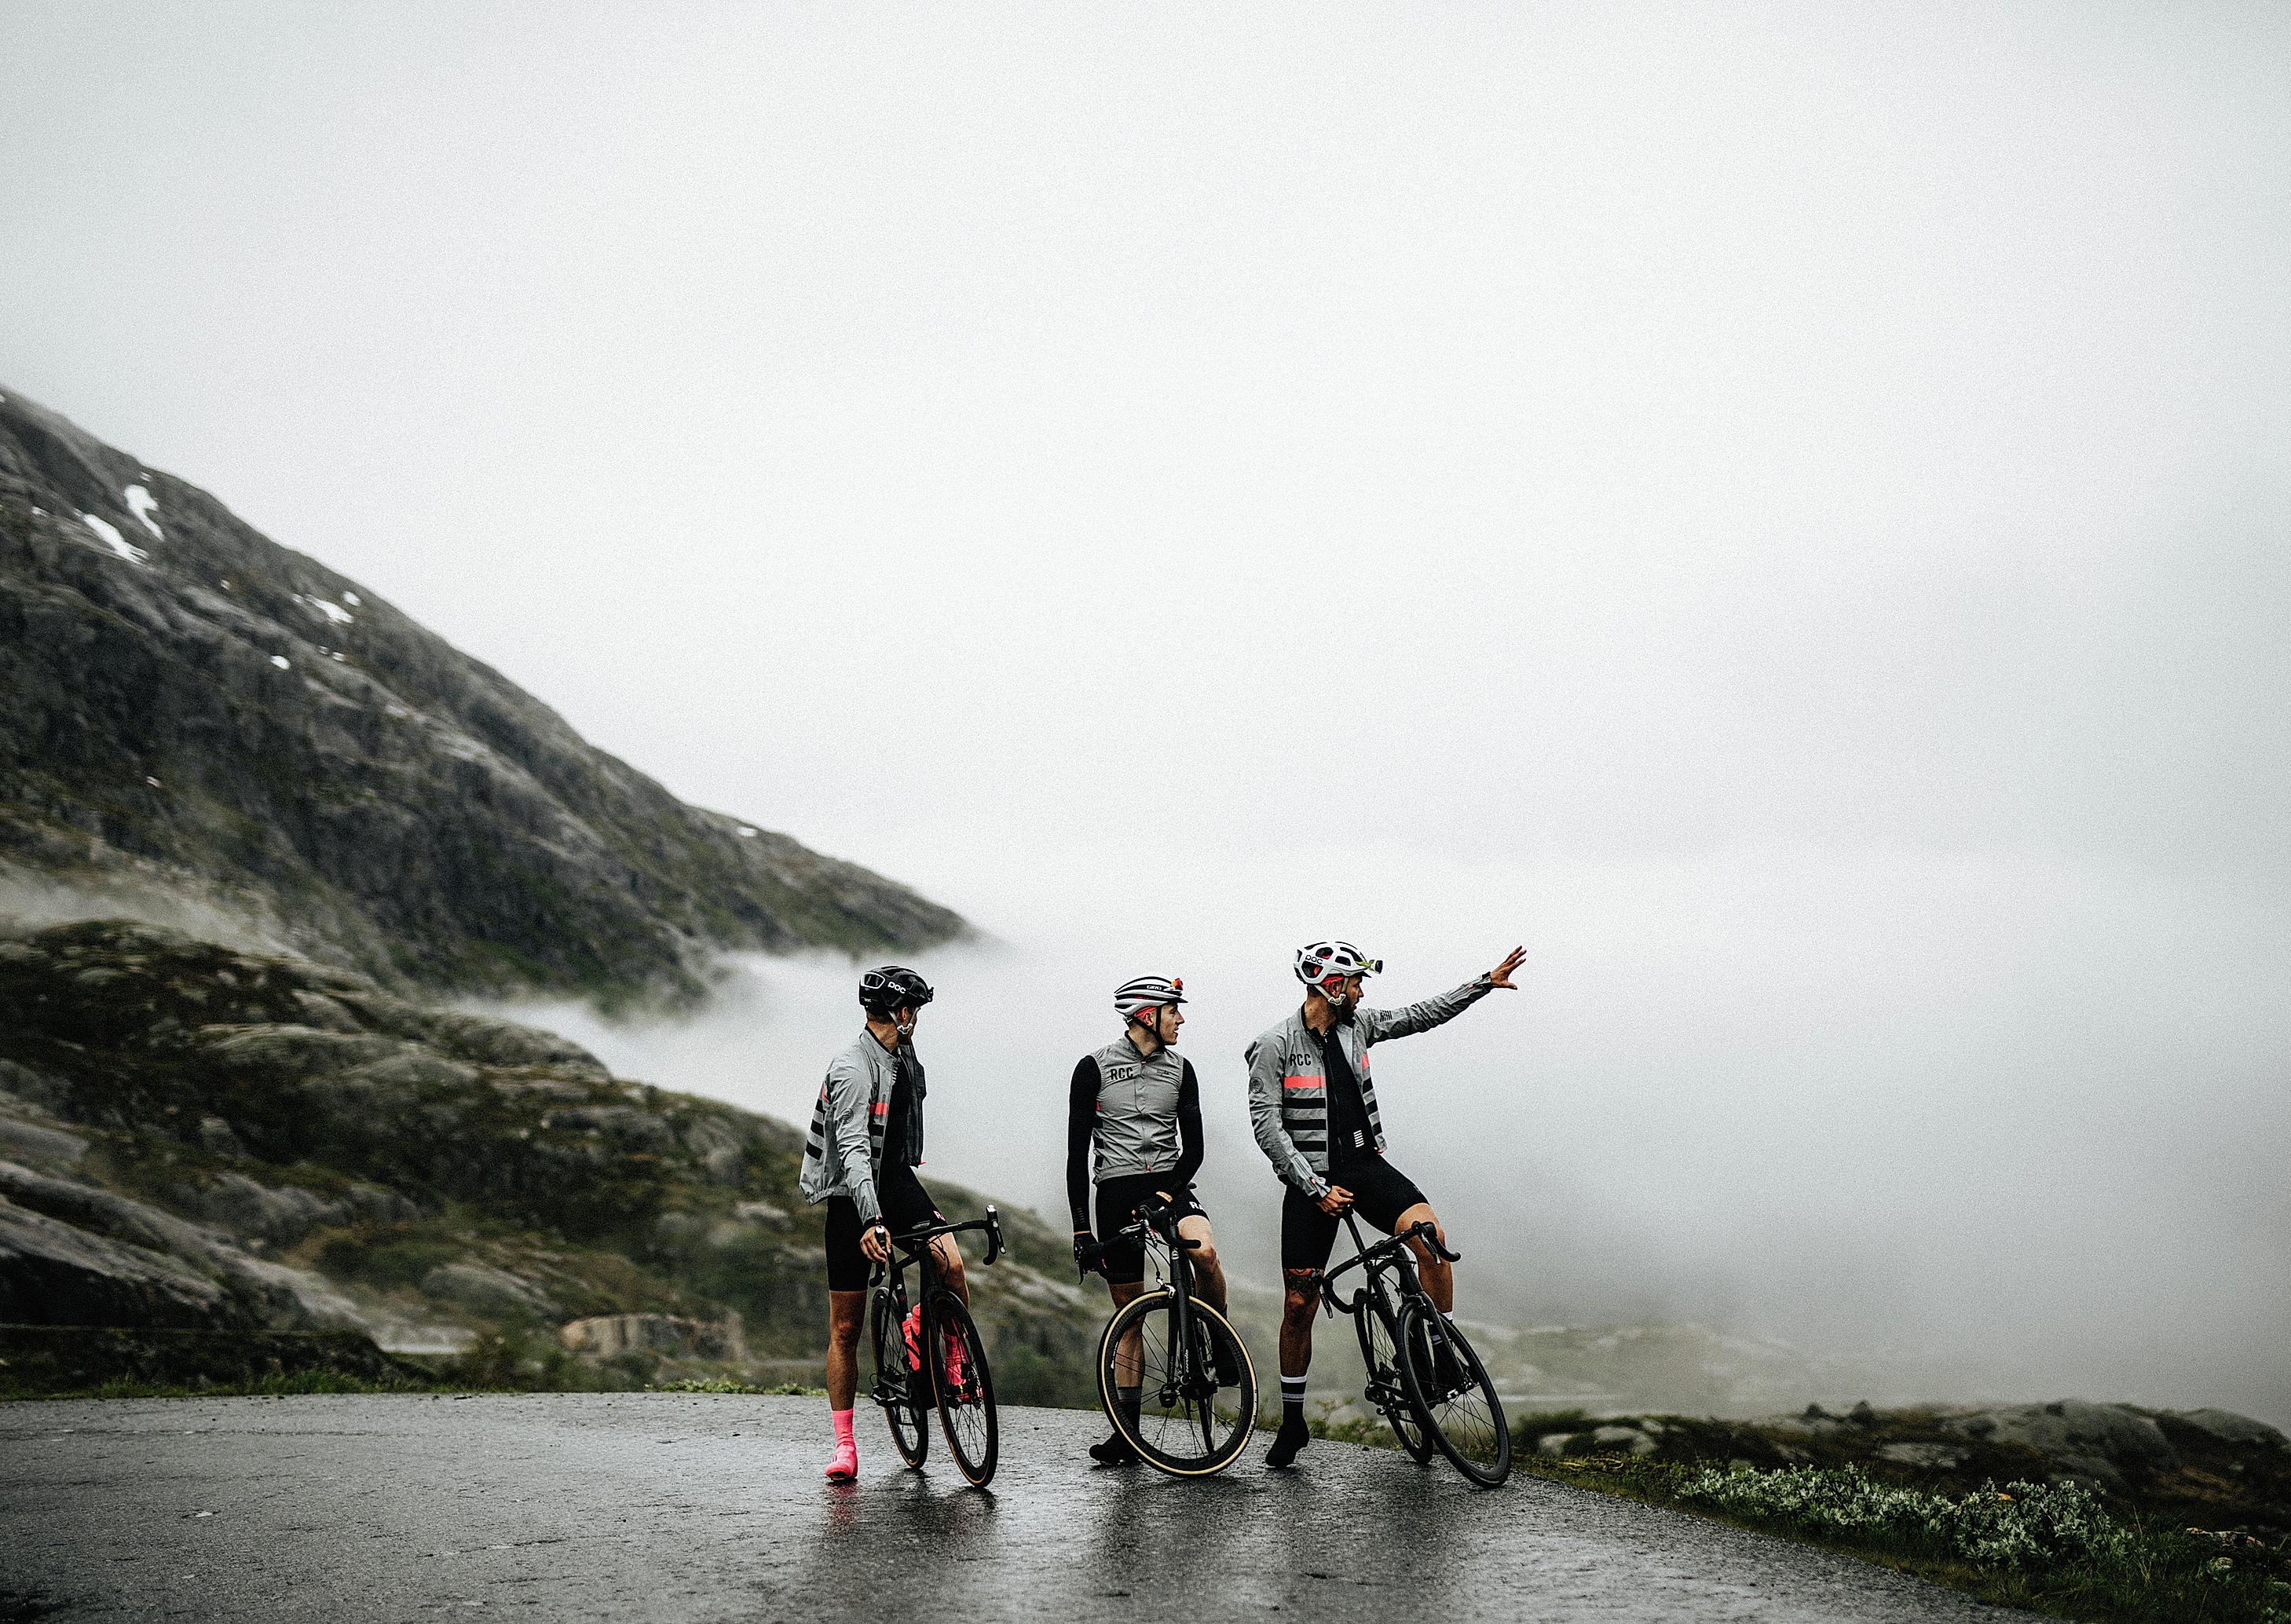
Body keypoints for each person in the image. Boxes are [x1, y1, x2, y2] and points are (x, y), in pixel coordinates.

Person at [1247, 939, 1527, 1469]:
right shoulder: (1272, 1045)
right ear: (1328, 985)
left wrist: (1482, 984)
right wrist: (1313, 1187)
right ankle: (1292, 1422)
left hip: (1363, 1166)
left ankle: (1439, 1352)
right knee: (1298, 1304)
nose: (1359, 991)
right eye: (1352, 982)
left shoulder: (1359, 1026)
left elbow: (1419, 1016)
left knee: (1431, 1239)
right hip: (1311, 1179)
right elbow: (1267, 1128)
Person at [797, 964, 969, 1483]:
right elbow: (851, 1150)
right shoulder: (852, 1068)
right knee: (845, 1328)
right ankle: (845, 1445)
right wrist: (871, 1220)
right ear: (900, 1012)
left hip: (892, 1179)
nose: (917, 1018)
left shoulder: (903, 1057)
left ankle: (948, 1350)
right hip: (851, 1195)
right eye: (914, 1009)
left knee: (951, 1264)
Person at [1066, 975, 1236, 1466]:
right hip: (1115, 1190)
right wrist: (1082, 1229)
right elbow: (1077, 1157)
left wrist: (1165, 1193)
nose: (1180, 1020)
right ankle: (1128, 1434)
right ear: (1147, 1014)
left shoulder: (1181, 1069)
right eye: (1173, 1012)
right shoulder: (1092, 1068)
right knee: (1130, 1314)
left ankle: (1220, 1343)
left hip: (1170, 1180)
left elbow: (1196, 1148)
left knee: (1203, 1251)